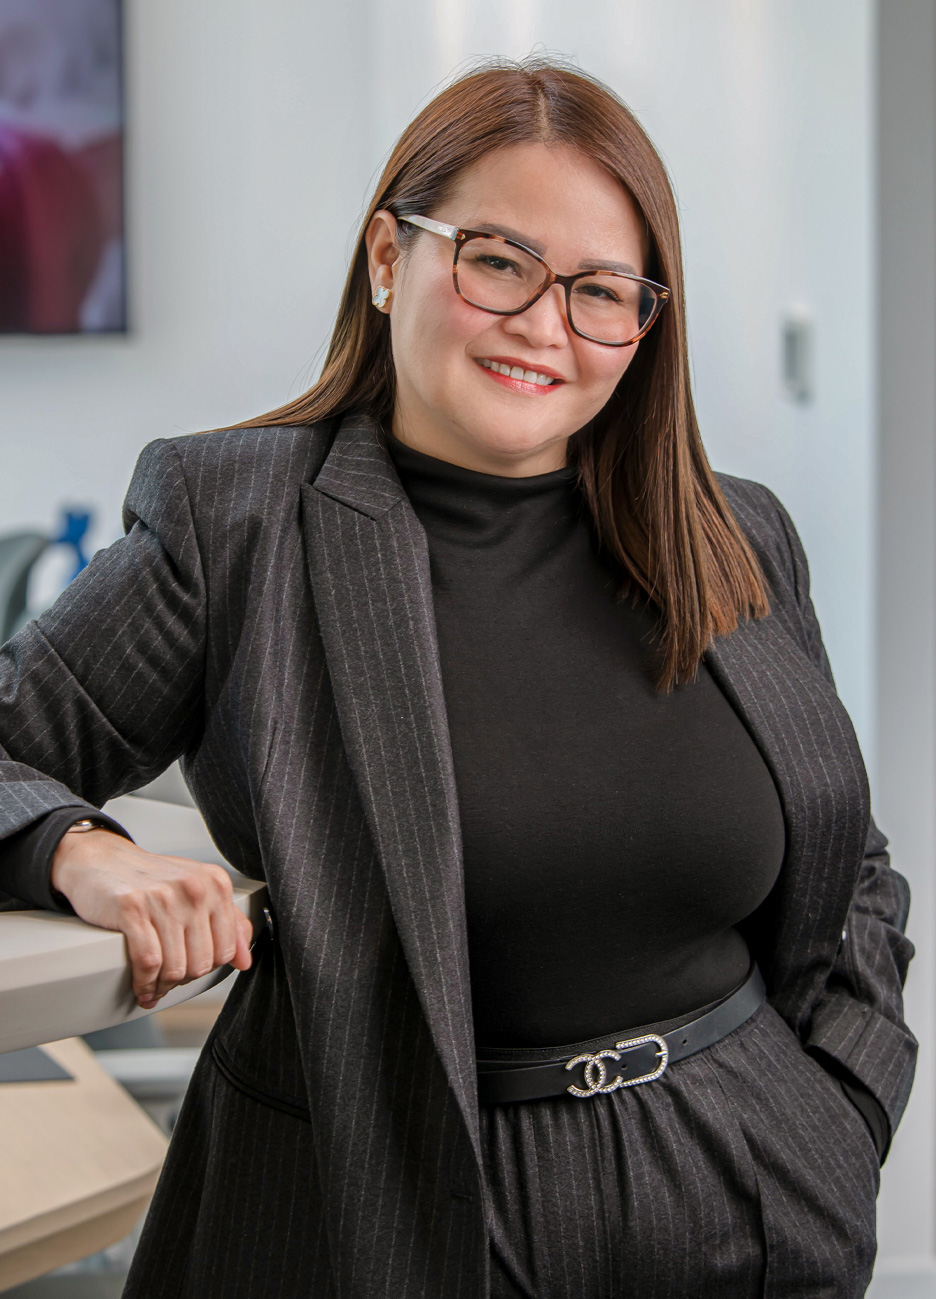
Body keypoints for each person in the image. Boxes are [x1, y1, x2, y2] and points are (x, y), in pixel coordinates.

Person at [0, 58, 915, 1299]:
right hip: (381, 1212)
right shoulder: (237, 523)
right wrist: (81, 850)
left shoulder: (734, 533)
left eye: (602, 291)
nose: (545, 325)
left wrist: (842, 1113)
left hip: (749, 1192)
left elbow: (850, 866)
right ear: (390, 257)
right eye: (498, 262)